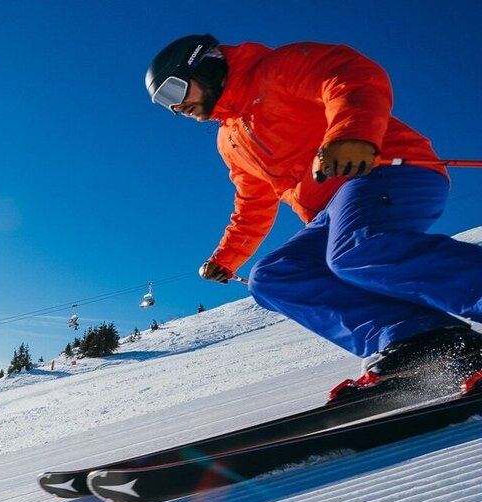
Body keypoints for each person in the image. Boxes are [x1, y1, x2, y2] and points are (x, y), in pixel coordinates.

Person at [145, 34, 482, 398]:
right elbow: (252, 203)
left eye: (175, 90)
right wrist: (226, 259)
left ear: (207, 65)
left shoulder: (276, 70)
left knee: (356, 249)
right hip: (330, 212)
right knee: (275, 277)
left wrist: (352, 135)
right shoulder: (230, 141)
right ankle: (422, 340)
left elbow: (350, 75)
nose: (176, 107)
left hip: (382, 168)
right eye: (165, 103)